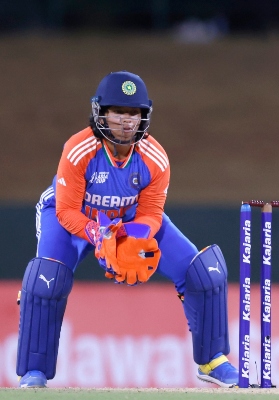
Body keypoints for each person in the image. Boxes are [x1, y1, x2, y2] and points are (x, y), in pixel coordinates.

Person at [16, 71, 238, 388]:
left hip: (129, 219)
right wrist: (100, 236)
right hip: (74, 216)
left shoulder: (155, 157)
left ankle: (213, 360)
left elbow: (151, 214)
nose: (126, 120)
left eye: (134, 113)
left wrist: (130, 240)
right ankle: (33, 372)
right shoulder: (79, 149)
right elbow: (65, 211)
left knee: (203, 272)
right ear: (101, 113)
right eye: (118, 111)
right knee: (46, 282)